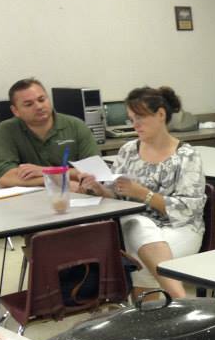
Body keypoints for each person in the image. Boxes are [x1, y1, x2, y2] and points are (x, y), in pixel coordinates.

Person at [79, 87, 205, 300]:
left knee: (139, 257)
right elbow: (118, 197)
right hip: (138, 228)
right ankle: (182, 303)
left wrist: (143, 194)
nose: (134, 125)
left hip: (180, 228)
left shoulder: (187, 155)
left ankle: (150, 320)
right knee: (137, 223)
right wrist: (99, 189)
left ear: (161, 115)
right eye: (131, 119)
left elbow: (189, 209)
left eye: (140, 117)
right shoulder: (128, 150)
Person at [0, 77, 98, 188]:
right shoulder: (6, 130)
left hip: (78, 196)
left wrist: (44, 170)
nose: (39, 106)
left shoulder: (76, 125)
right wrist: (59, 181)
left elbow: (94, 172)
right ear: (15, 111)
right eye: (29, 104)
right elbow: (4, 177)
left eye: (42, 100)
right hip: (31, 199)